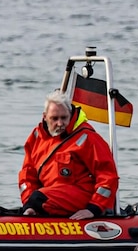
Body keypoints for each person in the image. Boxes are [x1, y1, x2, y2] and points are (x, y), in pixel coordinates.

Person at [18, 89, 119, 220]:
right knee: (36, 198)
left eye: (64, 118)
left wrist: (94, 208)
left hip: (82, 195)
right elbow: (27, 175)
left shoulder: (87, 138)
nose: (60, 123)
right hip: (48, 197)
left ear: (70, 115)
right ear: (44, 117)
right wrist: (29, 205)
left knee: (39, 198)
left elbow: (108, 176)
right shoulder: (37, 138)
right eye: (54, 119)